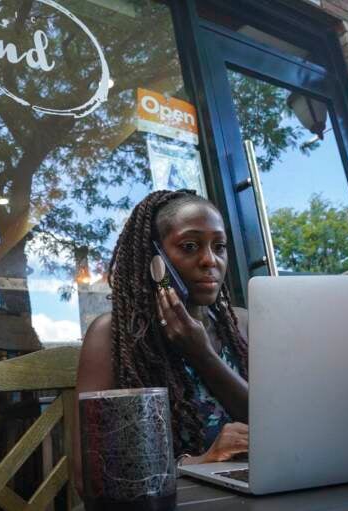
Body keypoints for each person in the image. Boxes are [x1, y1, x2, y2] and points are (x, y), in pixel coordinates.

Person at [74, 189, 250, 489]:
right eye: (190, 246)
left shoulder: (241, 324)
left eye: (219, 246)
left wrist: (203, 354)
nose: (210, 260)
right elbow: (88, 476)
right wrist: (202, 461)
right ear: (155, 260)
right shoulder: (113, 335)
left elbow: (277, 427)